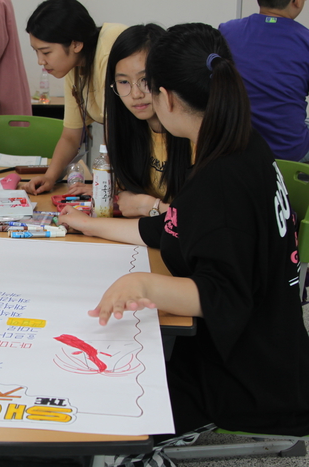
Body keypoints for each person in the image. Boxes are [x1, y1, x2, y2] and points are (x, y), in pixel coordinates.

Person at [59, 22, 309, 444]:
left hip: (248, 374)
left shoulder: (221, 178)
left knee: (94, 409)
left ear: (168, 98)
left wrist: (141, 282)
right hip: (269, 348)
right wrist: (89, 224)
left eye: (150, 89)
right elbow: (173, 228)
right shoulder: (236, 143)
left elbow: (222, 296)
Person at [79, 24, 192, 218]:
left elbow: (204, 217)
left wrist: (149, 205)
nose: (136, 94)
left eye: (145, 80)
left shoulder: (193, 135)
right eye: (124, 82)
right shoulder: (126, 131)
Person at [22, 0, 126, 195]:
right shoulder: (75, 67)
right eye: (36, 52)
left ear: (76, 44)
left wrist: (104, 185)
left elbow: (120, 130)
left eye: (46, 52)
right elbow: (71, 136)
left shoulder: (111, 49)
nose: (40, 61)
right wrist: (50, 177)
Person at [219, 0, 309, 162]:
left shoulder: (226, 31)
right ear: (297, 2)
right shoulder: (306, 41)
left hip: (234, 149)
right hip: (289, 155)